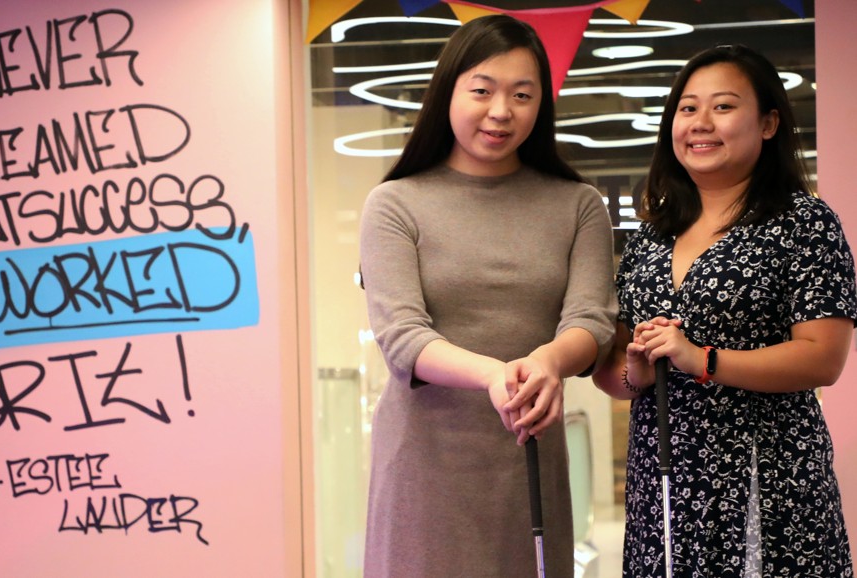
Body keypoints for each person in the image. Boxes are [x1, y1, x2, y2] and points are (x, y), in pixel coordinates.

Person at [358, 14, 617, 578]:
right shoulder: (395, 203)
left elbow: (592, 322)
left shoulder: (577, 205)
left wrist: (547, 362)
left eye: (522, 95)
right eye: (482, 90)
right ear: (447, 91)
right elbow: (402, 336)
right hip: (422, 466)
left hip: (528, 456)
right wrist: (494, 375)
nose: (502, 111)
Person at [594, 44, 856, 576]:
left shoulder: (804, 222)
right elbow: (616, 373)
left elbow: (822, 358)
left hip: (770, 477)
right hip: (665, 484)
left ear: (768, 123)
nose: (700, 123)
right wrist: (636, 371)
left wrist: (703, 359)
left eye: (723, 106)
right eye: (687, 109)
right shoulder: (651, 236)